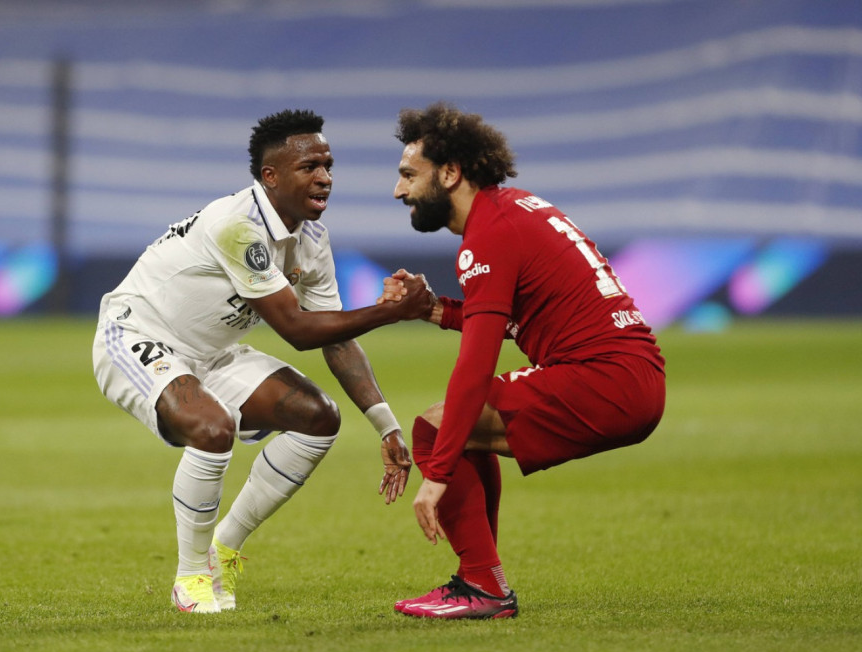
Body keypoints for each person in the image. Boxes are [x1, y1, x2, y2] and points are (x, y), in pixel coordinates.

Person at [92, 109, 431, 614]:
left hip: (211, 353)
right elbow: (296, 329)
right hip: (137, 334)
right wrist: (391, 312)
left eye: (328, 165)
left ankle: (222, 550)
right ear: (270, 176)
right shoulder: (237, 225)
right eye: (309, 167)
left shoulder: (312, 240)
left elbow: (335, 339)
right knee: (212, 428)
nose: (325, 177)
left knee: (318, 418)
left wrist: (385, 425)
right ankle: (190, 578)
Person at [380, 102, 666, 619]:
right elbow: (522, 318)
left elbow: (476, 364)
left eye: (408, 175)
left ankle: (482, 585)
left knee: (435, 429)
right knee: (460, 429)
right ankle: (482, 581)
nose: (399, 191)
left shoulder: (489, 234)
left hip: (602, 379)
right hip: (632, 375)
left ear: (450, 173)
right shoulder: (514, 209)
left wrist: (437, 474)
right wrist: (434, 309)